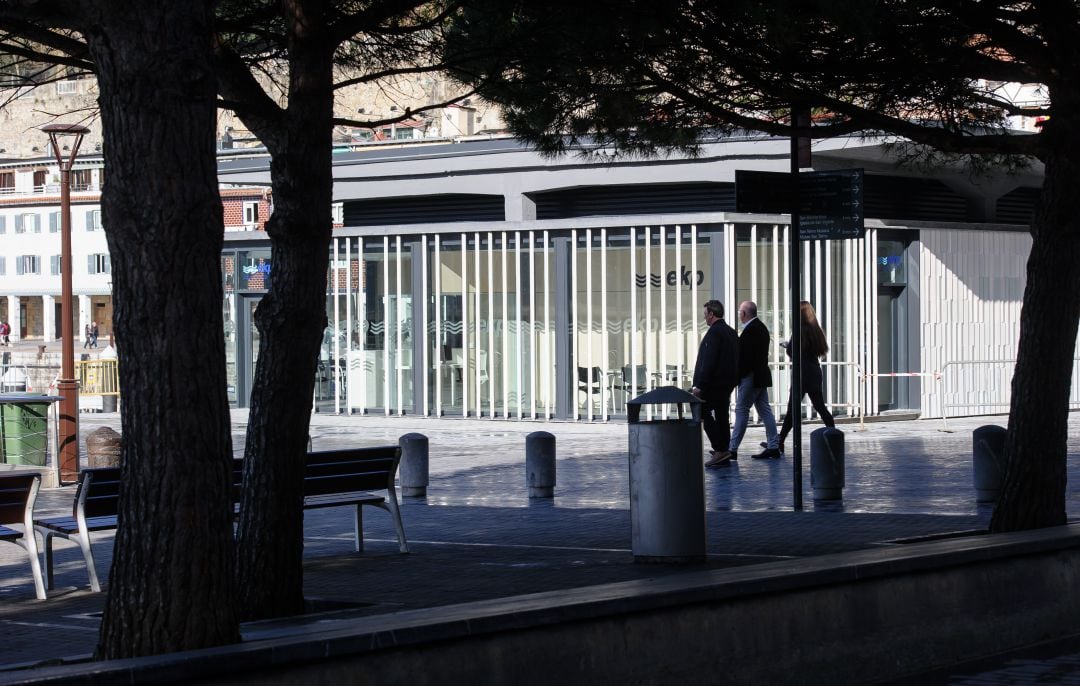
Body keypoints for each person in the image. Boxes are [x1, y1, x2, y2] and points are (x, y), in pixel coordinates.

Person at [775, 301, 836, 453]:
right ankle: (833, 433)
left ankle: (780, 440)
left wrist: (787, 345)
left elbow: (791, 352)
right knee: (820, 406)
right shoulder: (816, 330)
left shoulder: (798, 330)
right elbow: (819, 350)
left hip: (802, 373)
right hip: (814, 372)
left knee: (792, 409)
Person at [725, 300, 780, 461]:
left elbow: (745, 359)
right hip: (760, 376)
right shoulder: (761, 328)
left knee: (741, 410)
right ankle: (773, 446)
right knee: (765, 410)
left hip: (751, 377)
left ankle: (732, 449)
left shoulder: (750, 331)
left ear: (744, 313)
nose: (739, 315)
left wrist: (737, 377)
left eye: (740, 312)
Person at [690, 300, 738, 467]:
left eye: (705, 314)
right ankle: (723, 448)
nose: (705, 318)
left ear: (711, 314)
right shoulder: (731, 332)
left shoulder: (714, 333)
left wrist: (700, 385)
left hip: (713, 383)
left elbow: (708, 361)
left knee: (702, 410)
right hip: (727, 383)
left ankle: (719, 449)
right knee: (722, 414)